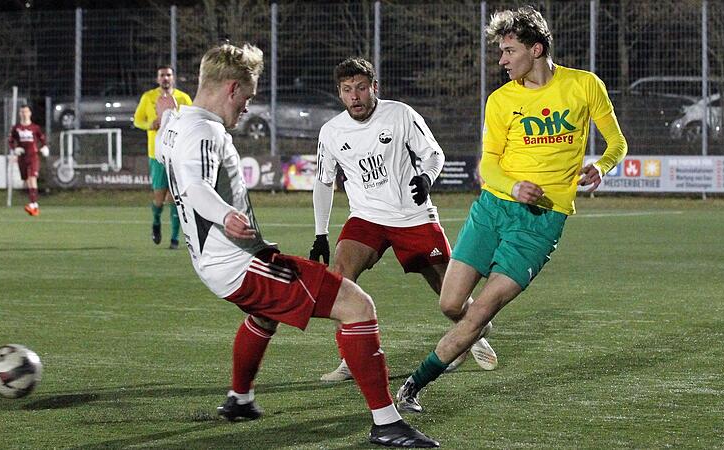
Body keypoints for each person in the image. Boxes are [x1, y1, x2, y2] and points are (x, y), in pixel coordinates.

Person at [155, 42, 439, 448]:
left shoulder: (178, 122)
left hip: (215, 261)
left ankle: (239, 399)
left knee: (263, 316)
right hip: (238, 262)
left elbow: (171, 131)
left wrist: (168, 116)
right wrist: (225, 216)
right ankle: (387, 423)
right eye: (248, 97)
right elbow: (198, 187)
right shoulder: (204, 131)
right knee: (358, 306)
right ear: (232, 88)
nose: (248, 108)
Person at [396, 5, 628, 413]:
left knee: (482, 307)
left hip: (542, 223)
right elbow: (487, 164)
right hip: (492, 209)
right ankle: (473, 333)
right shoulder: (501, 100)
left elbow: (617, 144)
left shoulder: (585, 86)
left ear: (536, 49)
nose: (501, 60)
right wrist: (512, 185)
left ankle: (414, 386)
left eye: (508, 51)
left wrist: (602, 167)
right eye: (500, 52)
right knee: (451, 305)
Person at [310, 57, 497, 383]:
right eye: (347, 90)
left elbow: (434, 154)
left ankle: (473, 330)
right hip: (366, 217)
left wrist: (425, 178)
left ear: (374, 88)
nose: (355, 96)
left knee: (449, 298)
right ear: (339, 94)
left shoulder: (399, 114)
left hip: (412, 215)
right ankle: (350, 358)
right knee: (339, 278)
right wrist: (320, 234)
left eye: (361, 88)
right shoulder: (331, 132)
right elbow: (324, 181)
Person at [134, 65, 193, 249]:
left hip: (177, 154)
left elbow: (192, 121)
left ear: (173, 77)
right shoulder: (148, 97)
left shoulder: (183, 98)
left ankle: (174, 239)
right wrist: (149, 124)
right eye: (162, 75)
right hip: (157, 154)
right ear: (157, 78)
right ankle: (156, 221)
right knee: (159, 197)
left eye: (168, 75)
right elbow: (137, 120)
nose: (165, 78)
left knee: (176, 198)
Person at [8, 104, 49, 216]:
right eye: (22, 112)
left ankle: (33, 204)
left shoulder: (35, 128)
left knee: (32, 178)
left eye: (26, 111)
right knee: (26, 180)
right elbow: (10, 141)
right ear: (19, 114)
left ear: (30, 113)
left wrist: (45, 147)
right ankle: (34, 206)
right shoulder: (16, 128)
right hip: (22, 157)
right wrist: (15, 149)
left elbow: (42, 138)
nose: (24, 114)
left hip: (33, 156)